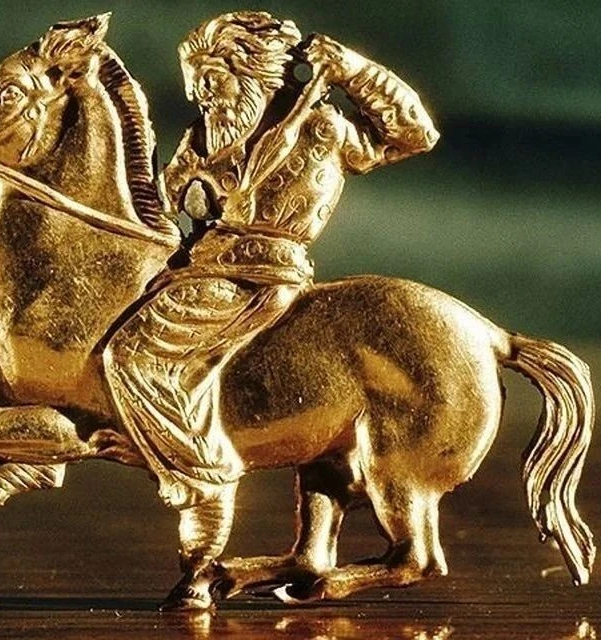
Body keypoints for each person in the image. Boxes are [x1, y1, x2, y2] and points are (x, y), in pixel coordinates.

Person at [103, 10, 439, 581]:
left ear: (248, 73)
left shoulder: (321, 126)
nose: (200, 94)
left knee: (132, 355)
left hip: (255, 277)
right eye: (195, 82)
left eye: (211, 79)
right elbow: (162, 202)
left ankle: (199, 476)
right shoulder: (204, 136)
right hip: (192, 267)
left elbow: (415, 134)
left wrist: (354, 71)